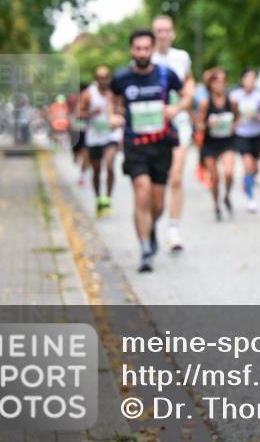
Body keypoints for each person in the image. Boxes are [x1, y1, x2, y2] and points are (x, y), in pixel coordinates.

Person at [109, 29, 188, 272]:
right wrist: (113, 115)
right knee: (140, 192)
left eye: (146, 48)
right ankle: (144, 249)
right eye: (138, 48)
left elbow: (185, 97)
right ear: (132, 50)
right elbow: (113, 101)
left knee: (158, 204)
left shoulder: (166, 74)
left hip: (162, 144)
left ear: (152, 49)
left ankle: (150, 227)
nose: (142, 52)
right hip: (135, 146)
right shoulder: (121, 78)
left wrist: (176, 109)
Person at [151, 15, 195, 251]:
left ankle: (174, 230)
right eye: (158, 30)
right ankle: (151, 225)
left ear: (173, 34)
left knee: (176, 177)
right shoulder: (146, 57)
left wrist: (178, 106)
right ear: (153, 33)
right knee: (154, 182)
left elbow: (189, 85)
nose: (163, 34)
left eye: (167, 30)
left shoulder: (182, 57)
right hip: (152, 127)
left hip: (179, 122)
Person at [79, 66, 123, 216]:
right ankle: (98, 199)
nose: (103, 80)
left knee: (110, 164)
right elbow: (79, 113)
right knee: (96, 170)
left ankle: (108, 200)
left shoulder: (115, 93)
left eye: (106, 77)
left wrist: (119, 115)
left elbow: (123, 109)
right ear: (95, 78)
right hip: (94, 137)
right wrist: (91, 112)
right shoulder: (88, 94)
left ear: (109, 78)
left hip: (111, 135)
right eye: (100, 77)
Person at [196, 68, 238, 221]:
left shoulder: (231, 101)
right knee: (214, 178)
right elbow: (200, 124)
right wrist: (207, 123)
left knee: (228, 173)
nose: (220, 84)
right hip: (210, 143)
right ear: (211, 85)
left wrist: (234, 125)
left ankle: (226, 196)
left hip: (227, 141)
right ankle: (216, 205)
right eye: (216, 81)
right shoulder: (205, 103)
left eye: (222, 81)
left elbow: (237, 118)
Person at [230, 69, 260, 213]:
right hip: (242, 134)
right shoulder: (235, 96)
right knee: (248, 165)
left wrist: (258, 116)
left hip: (257, 134)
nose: (250, 82)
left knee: (255, 168)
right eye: (248, 79)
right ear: (242, 80)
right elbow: (231, 113)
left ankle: (247, 180)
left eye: (253, 79)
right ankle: (251, 199)